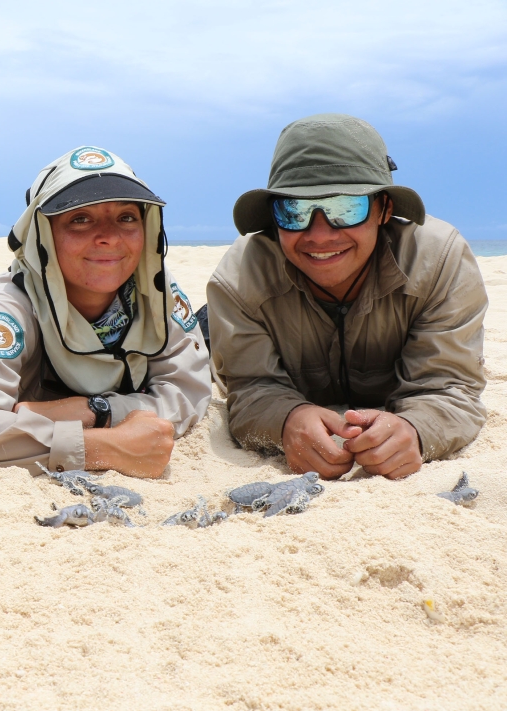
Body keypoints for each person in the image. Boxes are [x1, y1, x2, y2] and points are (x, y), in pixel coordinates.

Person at [207, 113, 487, 480]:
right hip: (221, 324)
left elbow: (452, 387)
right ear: (273, 218)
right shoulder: (239, 278)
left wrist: (417, 430)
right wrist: (286, 421)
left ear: (384, 208)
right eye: (294, 211)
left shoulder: (439, 261)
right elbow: (249, 391)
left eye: (345, 208)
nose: (319, 235)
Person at [0, 146, 212, 478]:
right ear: (44, 234)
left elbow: (189, 386)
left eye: (127, 217)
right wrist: (104, 446)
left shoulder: (153, 287)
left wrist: (97, 411)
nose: (109, 237)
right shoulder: (9, 309)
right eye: (80, 219)